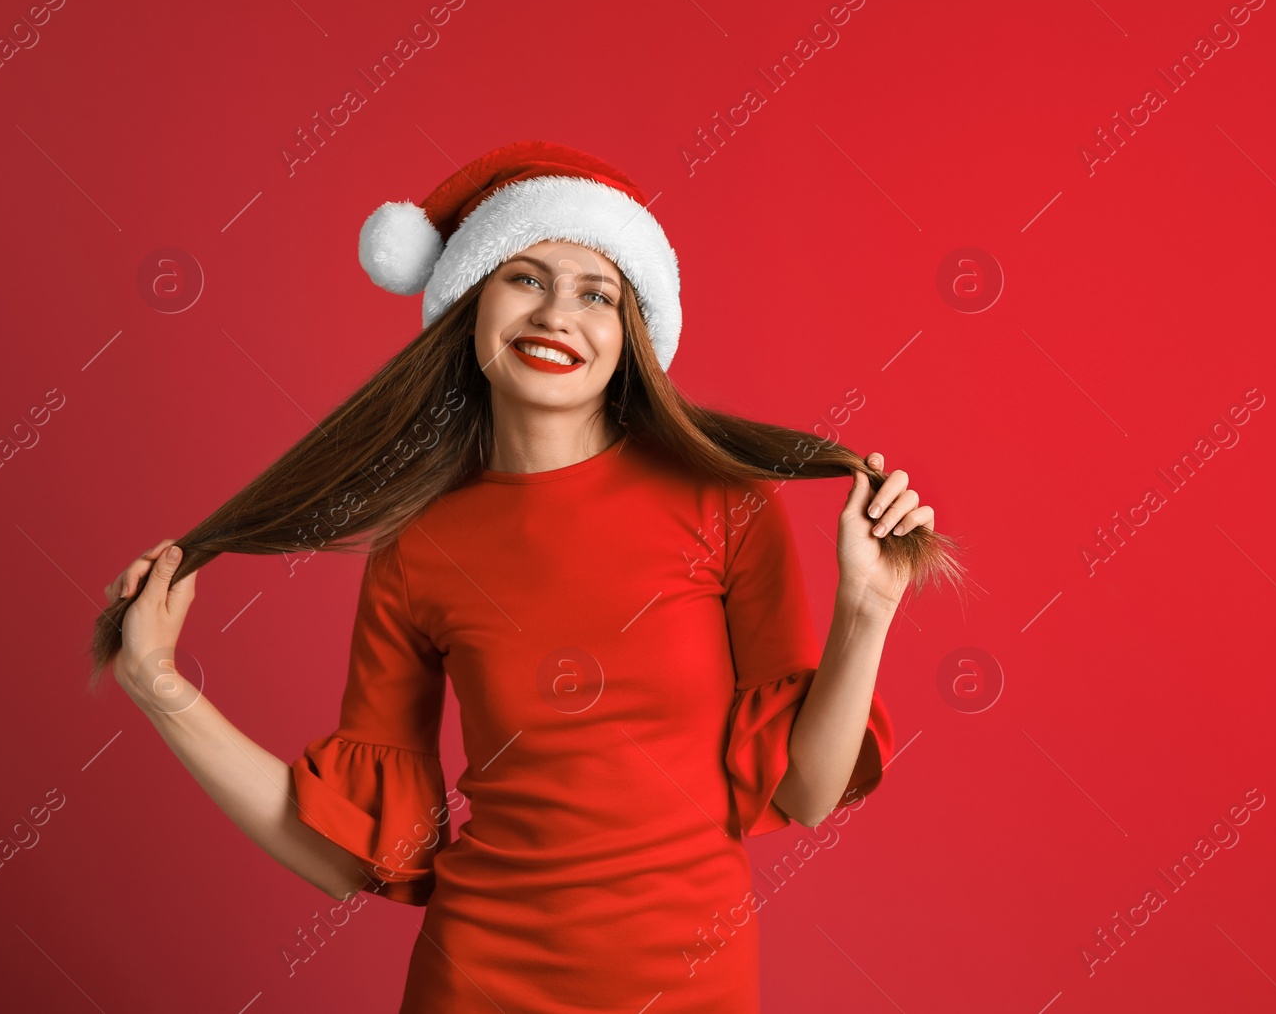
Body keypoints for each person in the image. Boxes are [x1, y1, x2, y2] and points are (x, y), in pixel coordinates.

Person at [90, 140, 966, 1012]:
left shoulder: (727, 504)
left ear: (630, 337)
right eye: (525, 277)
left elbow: (807, 794)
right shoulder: (418, 543)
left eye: (597, 293)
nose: (558, 314)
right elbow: (346, 855)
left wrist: (867, 606)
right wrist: (162, 688)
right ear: (471, 302)